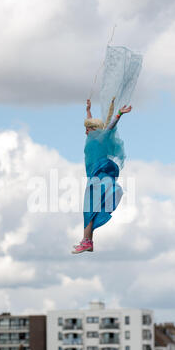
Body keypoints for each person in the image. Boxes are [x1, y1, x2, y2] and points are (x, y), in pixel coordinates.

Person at [72, 98, 132, 254]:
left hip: (98, 177)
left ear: (92, 129)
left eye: (87, 128)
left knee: (89, 208)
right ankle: (88, 242)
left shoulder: (101, 137)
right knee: (91, 209)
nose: (85, 131)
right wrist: (88, 110)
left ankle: (86, 242)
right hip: (95, 177)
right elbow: (89, 122)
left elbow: (111, 126)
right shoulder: (90, 138)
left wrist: (119, 113)